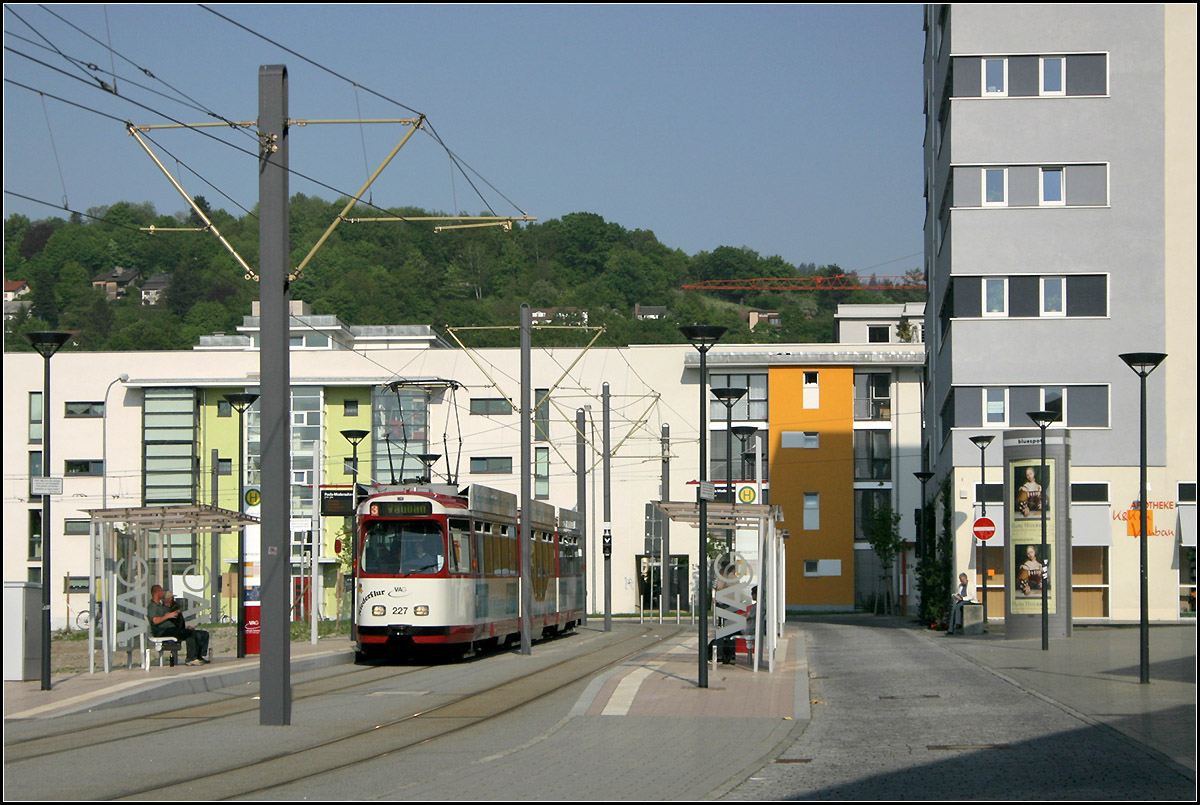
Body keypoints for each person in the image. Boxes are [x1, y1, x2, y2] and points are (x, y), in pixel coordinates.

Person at [148, 584, 209, 665]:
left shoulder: (159, 606)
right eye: (161, 591)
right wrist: (167, 616)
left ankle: (198, 656)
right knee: (190, 634)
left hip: (169, 629)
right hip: (163, 631)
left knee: (197, 633)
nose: (162, 593)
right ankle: (191, 658)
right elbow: (155, 620)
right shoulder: (153, 606)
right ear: (158, 593)